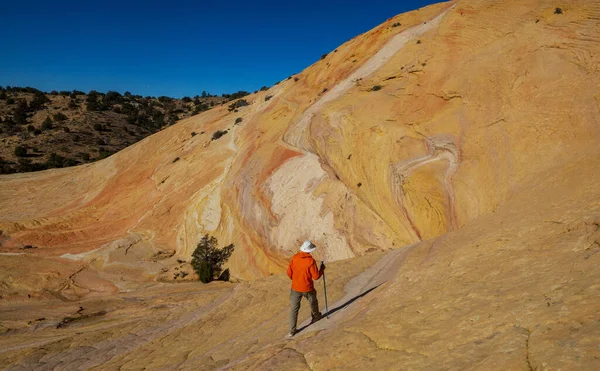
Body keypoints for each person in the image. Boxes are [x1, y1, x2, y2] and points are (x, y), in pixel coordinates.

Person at [286, 240, 326, 337]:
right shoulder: (310, 261)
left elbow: (289, 273)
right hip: (307, 288)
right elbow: (316, 277)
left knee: (294, 309)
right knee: (313, 301)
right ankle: (316, 316)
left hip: (295, 288)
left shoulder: (295, 258)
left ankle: (292, 331)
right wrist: (322, 269)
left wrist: (296, 279)